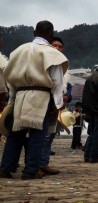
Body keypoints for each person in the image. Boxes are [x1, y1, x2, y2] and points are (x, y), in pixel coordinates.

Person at [0, 21, 68, 179]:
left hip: (21, 95)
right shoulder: (51, 53)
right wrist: (57, 103)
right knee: (38, 134)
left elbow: (9, 77)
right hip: (41, 96)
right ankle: (31, 170)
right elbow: (57, 81)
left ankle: (6, 167)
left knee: (16, 133)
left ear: (34, 33)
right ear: (52, 35)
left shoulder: (18, 51)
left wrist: (12, 99)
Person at [38, 36, 72, 176]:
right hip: (43, 103)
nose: (57, 48)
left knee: (49, 135)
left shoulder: (64, 67)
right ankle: (36, 164)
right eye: (55, 45)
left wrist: (66, 96)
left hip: (56, 107)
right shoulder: (43, 62)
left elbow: (68, 88)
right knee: (40, 136)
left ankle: (43, 163)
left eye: (60, 46)